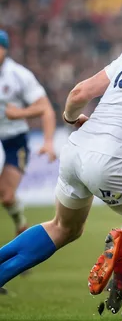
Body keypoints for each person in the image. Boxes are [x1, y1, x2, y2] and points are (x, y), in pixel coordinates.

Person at [0, 43, 122, 313]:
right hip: (114, 160)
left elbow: (79, 92)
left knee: (64, 228)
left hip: (77, 149)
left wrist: (70, 117)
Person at [0, 29, 56, 240]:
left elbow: (45, 109)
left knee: (6, 197)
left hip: (14, 139)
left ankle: (20, 223)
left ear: (4, 49)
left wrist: (48, 142)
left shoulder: (19, 75)